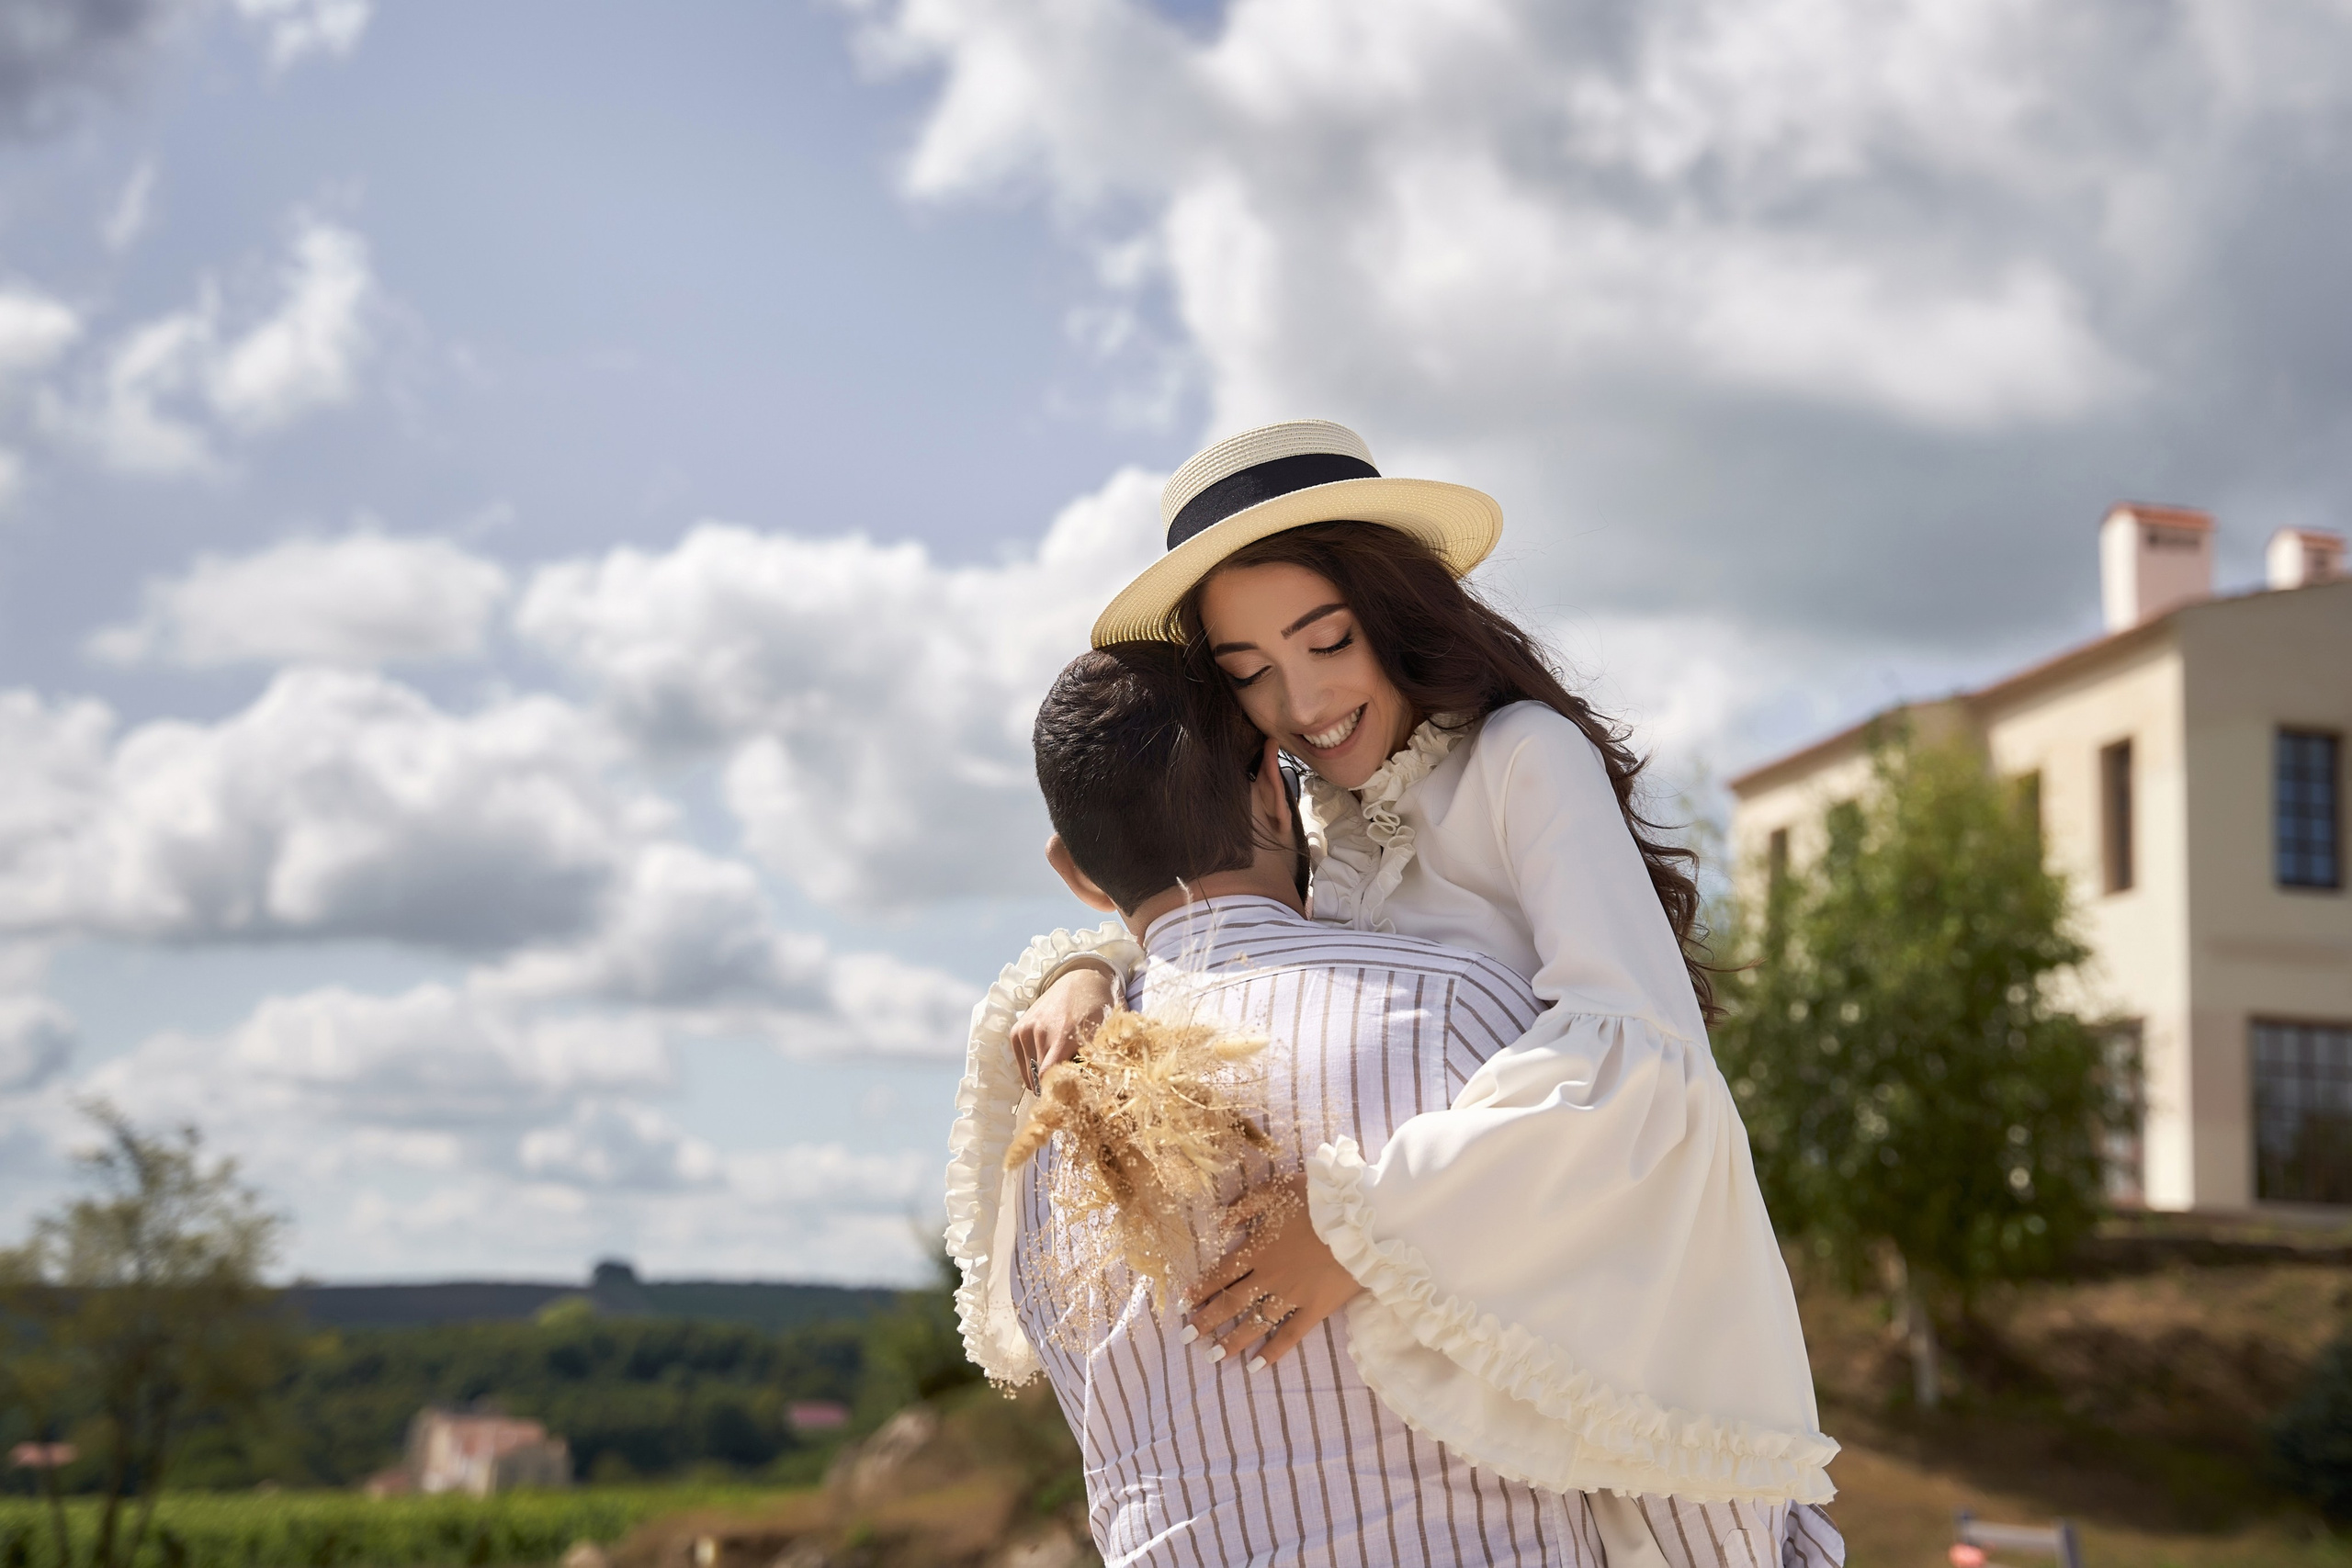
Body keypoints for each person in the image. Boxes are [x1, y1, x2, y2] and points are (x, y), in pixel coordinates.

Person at [972, 421, 1838, 1536]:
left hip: (1600, 1270)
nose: (1303, 701)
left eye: (1327, 640)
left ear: (1392, 611)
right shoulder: (1334, 816)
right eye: (1251, 675)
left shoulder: (1525, 754)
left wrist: (1360, 1226)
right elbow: (1222, 932)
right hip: (1473, 1338)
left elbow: (1638, 1060)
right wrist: (1087, 970)